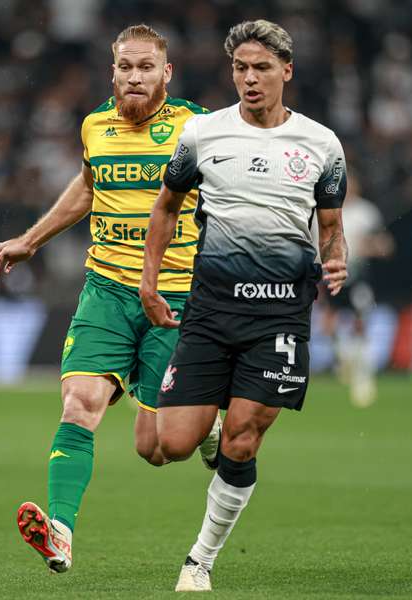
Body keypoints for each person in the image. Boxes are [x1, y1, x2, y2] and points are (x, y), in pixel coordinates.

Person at [0, 24, 219, 574]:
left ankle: (205, 421)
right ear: (112, 70)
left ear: (167, 73)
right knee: (78, 403)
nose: (133, 77)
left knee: (157, 448)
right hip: (106, 291)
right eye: (124, 67)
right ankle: (61, 531)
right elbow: (89, 188)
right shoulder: (95, 126)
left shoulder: (198, 127)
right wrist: (29, 241)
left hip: (176, 298)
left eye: (145, 67)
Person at [139, 20, 348, 592]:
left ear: (287, 70)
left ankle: (199, 560)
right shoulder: (202, 135)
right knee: (169, 445)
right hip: (209, 312)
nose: (249, 79)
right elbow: (166, 207)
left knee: (243, 439)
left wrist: (335, 259)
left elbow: (331, 227)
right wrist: (149, 281)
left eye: (260, 68)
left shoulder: (321, 145)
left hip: (280, 318)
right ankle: (204, 430)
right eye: (240, 68)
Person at [317, 171, 394, 407]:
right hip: (329, 273)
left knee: (361, 320)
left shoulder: (366, 212)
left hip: (356, 276)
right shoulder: (325, 209)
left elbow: (386, 246)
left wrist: (367, 245)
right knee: (328, 323)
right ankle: (344, 359)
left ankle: (359, 367)